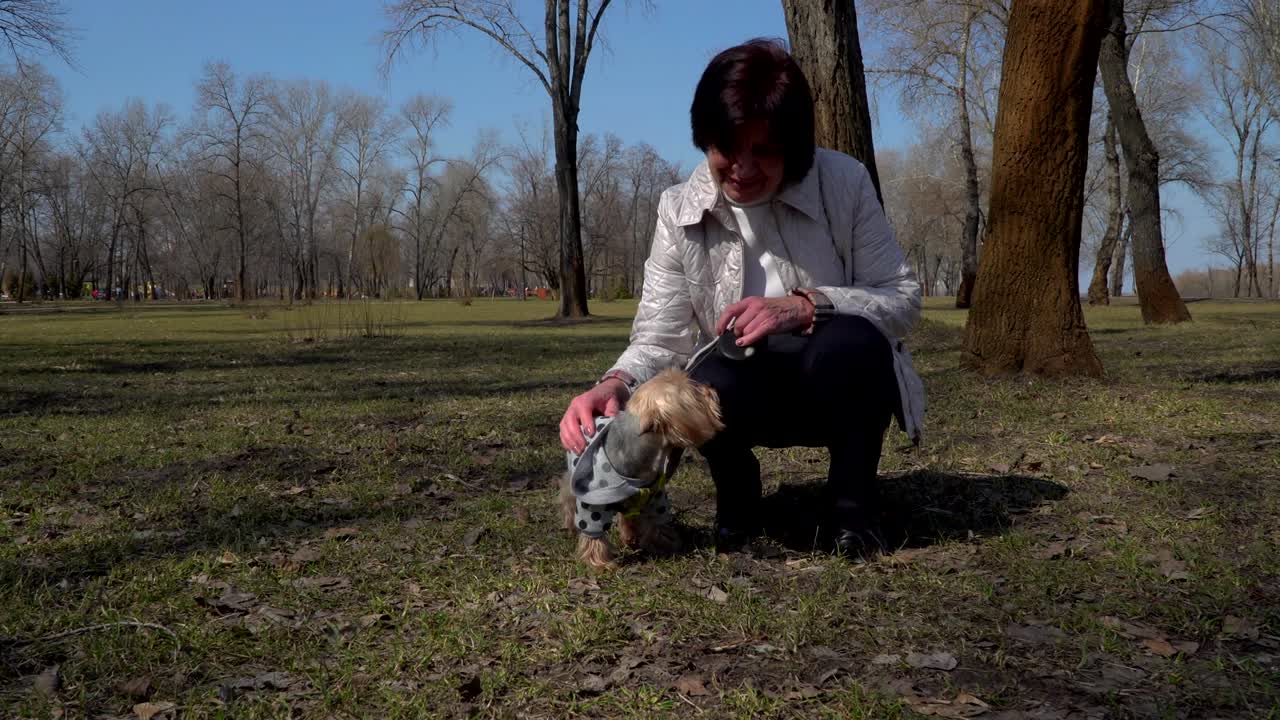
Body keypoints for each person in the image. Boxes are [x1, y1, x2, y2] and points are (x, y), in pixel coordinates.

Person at [558, 38, 925, 558]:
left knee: (851, 340)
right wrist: (612, 383)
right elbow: (661, 336)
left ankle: (853, 505)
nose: (743, 167)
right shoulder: (678, 209)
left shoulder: (843, 182)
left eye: (765, 150)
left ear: (794, 148)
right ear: (704, 139)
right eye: (727, 147)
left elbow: (903, 298)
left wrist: (806, 306)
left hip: (835, 386)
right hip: (739, 398)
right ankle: (738, 497)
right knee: (702, 377)